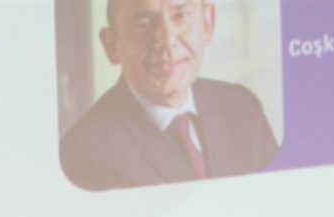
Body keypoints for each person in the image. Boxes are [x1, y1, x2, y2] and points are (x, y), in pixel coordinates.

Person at [60, 0, 278, 191]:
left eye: (180, 16)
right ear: (112, 46)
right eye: (143, 24)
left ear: (207, 23)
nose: (166, 40)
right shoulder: (85, 154)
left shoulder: (243, 109)